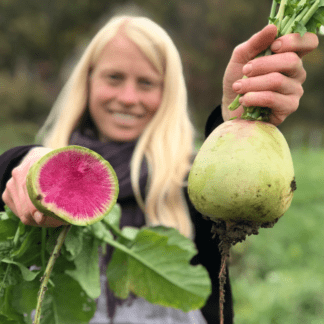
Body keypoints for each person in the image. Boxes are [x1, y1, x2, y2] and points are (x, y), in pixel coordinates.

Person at [0, 15, 318, 324]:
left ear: (168, 93)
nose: (128, 97)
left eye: (146, 83)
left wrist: (233, 119)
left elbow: (224, 181)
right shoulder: (32, 173)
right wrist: (25, 162)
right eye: (114, 78)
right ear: (87, 80)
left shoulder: (187, 182)